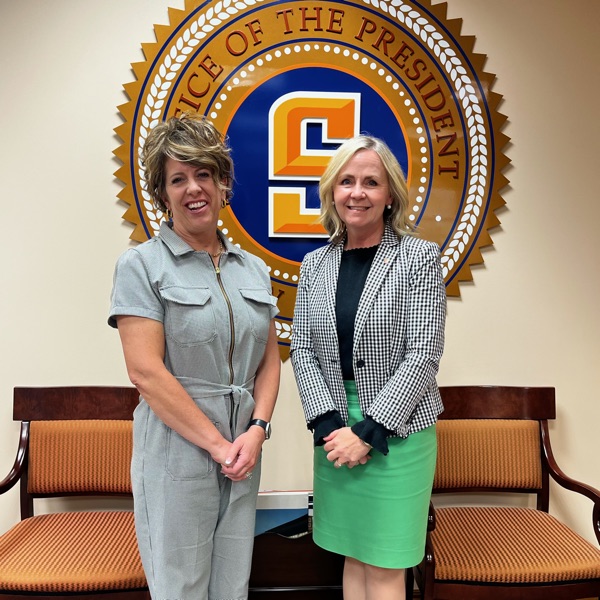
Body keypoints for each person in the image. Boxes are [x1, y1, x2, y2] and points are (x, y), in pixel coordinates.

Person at [108, 113, 281, 599]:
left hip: (243, 452)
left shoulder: (255, 270)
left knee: (232, 585)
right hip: (176, 454)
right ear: (162, 195)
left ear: (223, 183)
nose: (193, 189)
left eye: (203, 174)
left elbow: (269, 363)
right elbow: (145, 371)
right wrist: (217, 445)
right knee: (181, 589)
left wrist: (257, 431)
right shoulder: (142, 265)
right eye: (177, 179)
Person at [290, 135, 446, 600]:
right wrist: (331, 425)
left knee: (384, 563)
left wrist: (368, 430)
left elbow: (423, 352)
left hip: (396, 432)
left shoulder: (419, 257)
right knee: (352, 553)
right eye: (347, 181)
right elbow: (302, 350)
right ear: (332, 191)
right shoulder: (314, 265)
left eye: (371, 182)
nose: (357, 192)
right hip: (334, 430)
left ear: (390, 194)